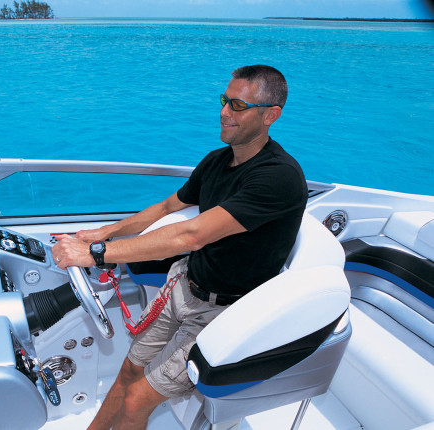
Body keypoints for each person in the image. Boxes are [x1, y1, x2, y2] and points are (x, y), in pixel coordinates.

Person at [52, 65, 308, 430]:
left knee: (137, 399)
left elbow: (191, 236)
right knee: (128, 371)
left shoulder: (278, 177)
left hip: (224, 311)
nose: (224, 112)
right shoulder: (217, 160)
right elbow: (166, 208)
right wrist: (104, 232)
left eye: (238, 105)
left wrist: (95, 255)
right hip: (184, 284)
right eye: (224, 101)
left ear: (271, 115)